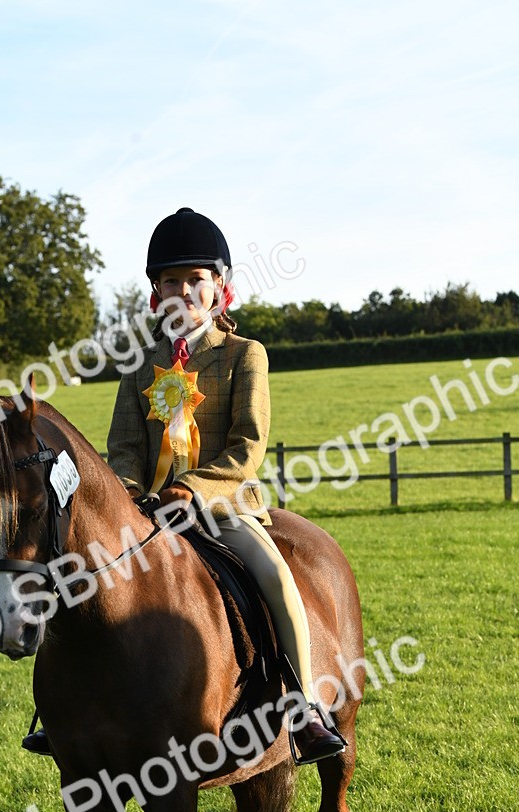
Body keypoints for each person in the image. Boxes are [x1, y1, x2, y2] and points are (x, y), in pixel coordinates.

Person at [23, 206, 344, 765]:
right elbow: (122, 448)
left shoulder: (245, 356)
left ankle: (303, 704)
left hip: (223, 507)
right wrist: (126, 497)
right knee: (75, 578)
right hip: (144, 513)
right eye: (171, 280)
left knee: (273, 575)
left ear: (219, 288)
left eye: (195, 280)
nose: (183, 291)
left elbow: (248, 444)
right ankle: (62, 716)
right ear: (156, 291)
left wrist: (192, 489)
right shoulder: (140, 366)